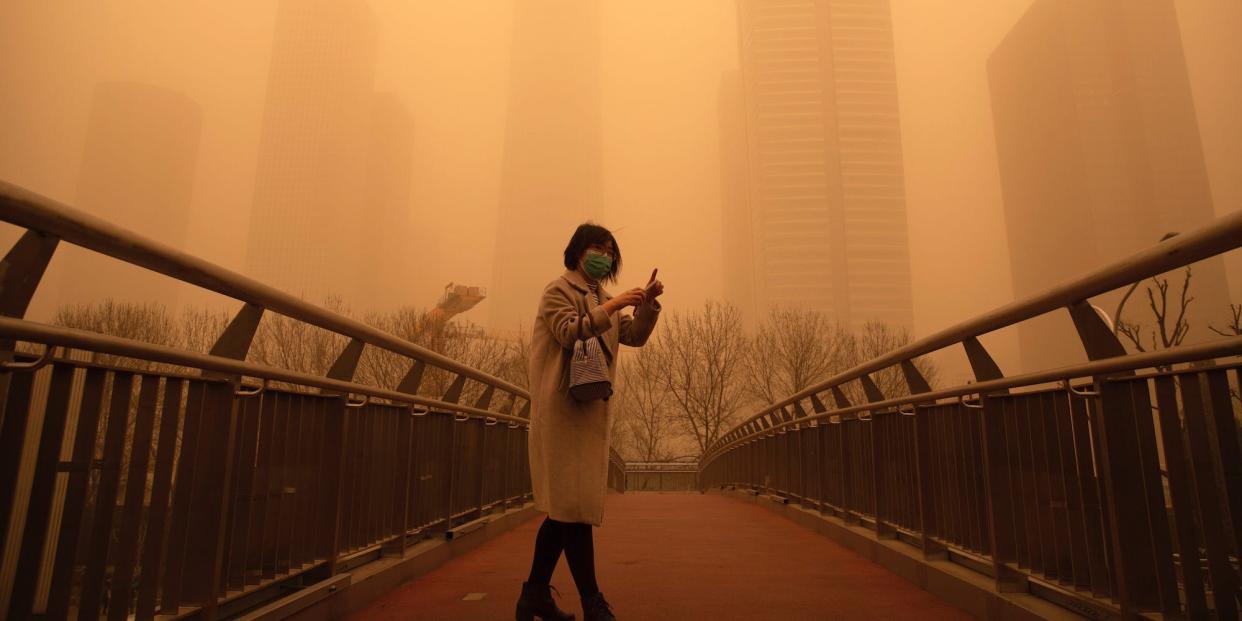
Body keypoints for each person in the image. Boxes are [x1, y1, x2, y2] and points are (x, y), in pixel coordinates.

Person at [515, 223, 663, 621]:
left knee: (564, 510)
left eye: (611, 251)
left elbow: (631, 335)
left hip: (589, 411)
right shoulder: (557, 292)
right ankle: (593, 602)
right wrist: (612, 307)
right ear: (578, 251)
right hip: (562, 415)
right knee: (573, 510)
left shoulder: (601, 298)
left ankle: (534, 595)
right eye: (598, 247)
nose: (605, 256)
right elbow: (569, 331)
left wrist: (645, 305)